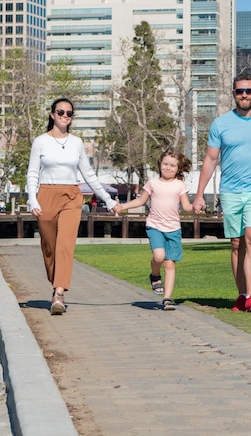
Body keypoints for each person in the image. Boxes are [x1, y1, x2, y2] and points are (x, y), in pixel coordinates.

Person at [192, 73, 251, 313]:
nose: (244, 95)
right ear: (233, 94)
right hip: (230, 190)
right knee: (236, 243)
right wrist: (199, 194)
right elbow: (210, 159)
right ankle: (242, 296)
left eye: (248, 91)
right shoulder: (220, 124)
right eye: (240, 91)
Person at [27, 97, 121, 315]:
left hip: (71, 195)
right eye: (60, 112)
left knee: (65, 245)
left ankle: (59, 293)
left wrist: (108, 200)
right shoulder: (41, 141)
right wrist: (33, 198)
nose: (64, 116)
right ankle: (56, 282)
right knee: (49, 247)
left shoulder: (77, 142)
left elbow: (88, 174)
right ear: (52, 115)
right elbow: (33, 172)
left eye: (69, 113)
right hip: (46, 195)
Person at [118, 149, 192, 310]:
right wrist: (122, 206)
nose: (168, 168)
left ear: (178, 168)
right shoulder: (152, 183)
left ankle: (167, 299)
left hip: (173, 229)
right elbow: (140, 201)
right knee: (159, 256)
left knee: (170, 264)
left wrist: (195, 207)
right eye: (165, 164)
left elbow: (186, 206)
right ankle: (155, 275)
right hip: (155, 226)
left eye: (172, 165)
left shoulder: (180, 185)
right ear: (159, 165)